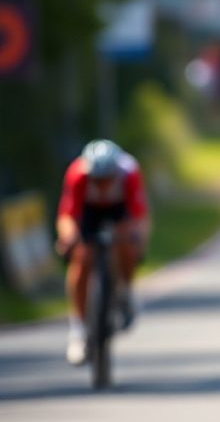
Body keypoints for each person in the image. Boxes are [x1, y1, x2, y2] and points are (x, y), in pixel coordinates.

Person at [54, 139, 150, 365]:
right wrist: (68, 238)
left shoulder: (129, 173)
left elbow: (139, 217)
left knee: (128, 246)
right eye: (97, 179)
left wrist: (137, 240)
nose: (103, 184)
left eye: (107, 179)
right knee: (82, 258)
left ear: (116, 173)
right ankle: (78, 330)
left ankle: (125, 292)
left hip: (120, 210)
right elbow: (67, 216)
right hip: (89, 212)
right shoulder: (78, 174)